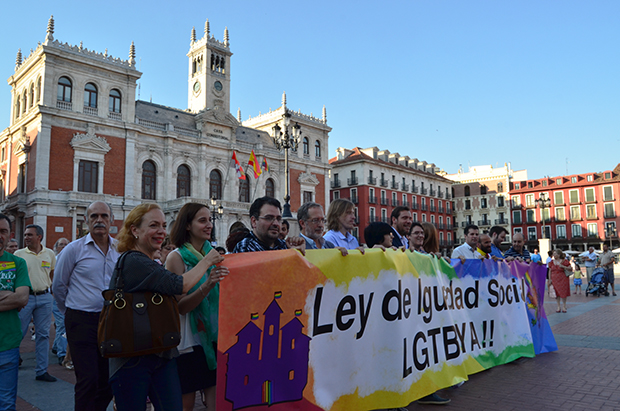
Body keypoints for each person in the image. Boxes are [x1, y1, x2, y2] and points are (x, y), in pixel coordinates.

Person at [109, 203, 226, 411]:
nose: (162, 231)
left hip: (157, 351)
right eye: (154, 225)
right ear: (135, 230)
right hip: (134, 356)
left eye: (163, 225)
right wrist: (207, 262)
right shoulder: (134, 261)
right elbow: (179, 285)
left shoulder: (149, 261)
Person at [53, 201, 120, 411]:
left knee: (108, 380)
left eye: (103, 216)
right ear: (86, 221)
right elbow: (59, 286)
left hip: (111, 322)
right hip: (81, 321)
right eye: (94, 216)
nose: (99, 220)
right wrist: (71, 311)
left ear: (111, 220)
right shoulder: (73, 250)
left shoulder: (121, 249)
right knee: (88, 380)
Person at [166, 203, 230, 411]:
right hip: (188, 341)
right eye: (202, 221)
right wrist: (208, 284)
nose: (209, 225)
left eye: (210, 220)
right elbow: (180, 306)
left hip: (214, 337)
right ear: (187, 225)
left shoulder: (214, 255)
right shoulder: (176, 258)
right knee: (186, 402)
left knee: (214, 396)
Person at [15, 225, 57, 382]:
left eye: (29, 235)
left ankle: (41, 371)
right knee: (18, 332)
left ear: (39, 237)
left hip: (45, 298)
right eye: (25, 234)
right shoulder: (18, 254)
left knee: (43, 335)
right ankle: (9, 366)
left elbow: (52, 274)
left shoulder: (50, 254)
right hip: (26, 298)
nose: (26, 237)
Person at [0, 214, 31, 411]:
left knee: (6, 404)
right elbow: (15, 297)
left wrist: (15, 297)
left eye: (2, 231)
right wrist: (6, 295)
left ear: (9, 235)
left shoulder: (17, 263)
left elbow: (21, 298)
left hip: (8, 343)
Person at [232, 197, 305, 253]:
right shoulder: (246, 247)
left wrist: (297, 254)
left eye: (279, 219)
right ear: (254, 221)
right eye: (269, 218)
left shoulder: (285, 246)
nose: (276, 223)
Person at [51, 238, 70, 367]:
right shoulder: (55, 259)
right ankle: (62, 353)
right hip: (57, 297)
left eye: (65, 244)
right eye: (61, 244)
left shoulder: (70, 258)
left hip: (69, 296)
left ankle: (56, 346)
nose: (63, 246)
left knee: (61, 325)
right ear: (56, 247)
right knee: (62, 325)